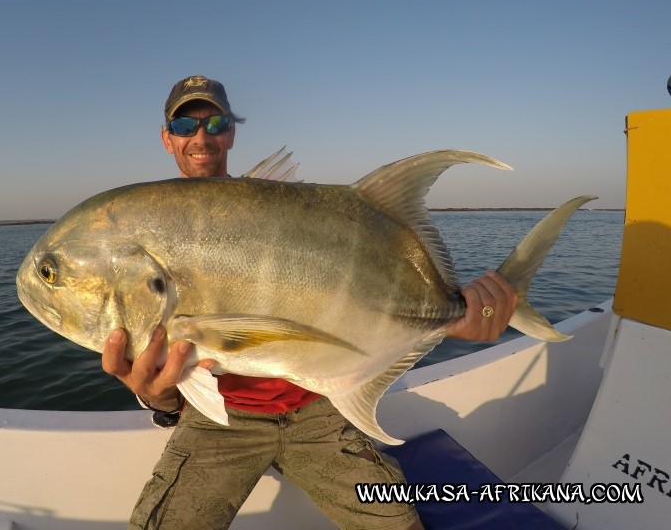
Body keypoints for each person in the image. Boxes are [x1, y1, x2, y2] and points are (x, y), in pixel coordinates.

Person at [102, 75, 519, 530]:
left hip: (319, 407)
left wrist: (455, 320)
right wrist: (158, 399)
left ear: (231, 133)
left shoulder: (282, 216)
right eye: (185, 125)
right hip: (220, 420)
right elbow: (166, 384)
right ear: (168, 137)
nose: (201, 136)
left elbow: (345, 304)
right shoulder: (144, 235)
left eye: (215, 122)